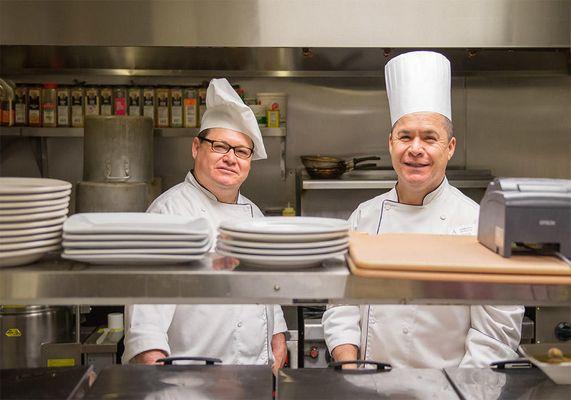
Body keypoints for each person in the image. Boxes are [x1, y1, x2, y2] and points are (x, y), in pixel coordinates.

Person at [323, 52, 523, 368]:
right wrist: (349, 366)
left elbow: (495, 333)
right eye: (405, 136)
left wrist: (460, 390)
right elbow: (341, 305)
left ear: (450, 147)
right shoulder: (363, 217)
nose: (416, 149)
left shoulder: (479, 223)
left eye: (429, 138)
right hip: (368, 387)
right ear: (391, 143)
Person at [122, 79, 288, 374]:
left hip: (254, 377)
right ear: (196, 147)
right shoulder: (167, 213)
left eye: (241, 151)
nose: (230, 158)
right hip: (188, 379)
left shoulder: (255, 214)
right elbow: (146, 320)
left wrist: (278, 337)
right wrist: (161, 381)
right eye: (220, 146)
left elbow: (265, 286)